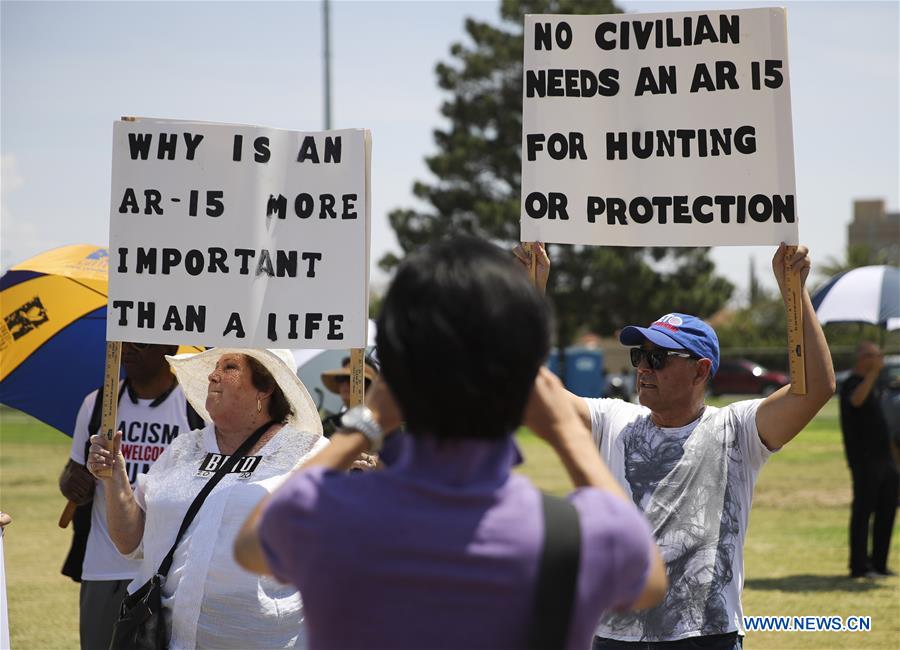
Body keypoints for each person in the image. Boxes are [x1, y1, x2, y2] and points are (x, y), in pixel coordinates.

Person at [235, 236, 667, 650]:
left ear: (395, 377)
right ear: (529, 383)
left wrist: (368, 419)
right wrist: (567, 433)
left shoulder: (329, 515)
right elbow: (648, 578)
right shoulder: (578, 538)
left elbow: (251, 545)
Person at [517, 242, 835, 648]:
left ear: (700, 370)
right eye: (640, 355)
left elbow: (816, 389)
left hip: (705, 638)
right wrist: (531, 294)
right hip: (614, 638)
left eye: (659, 358)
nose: (644, 369)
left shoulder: (734, 430)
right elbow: (531, 391)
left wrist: (795, 290)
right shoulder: (613, 420)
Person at [87, 348, 326, 649]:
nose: (213, 375)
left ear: (264, 388)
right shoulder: (182, 449)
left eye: (229, 367)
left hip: (265, 640)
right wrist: (114, 478)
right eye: (215, 366)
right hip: (166, 639)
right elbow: (130, 541)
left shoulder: (309, 454)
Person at [58, 341, 201, 650]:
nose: (129, 350)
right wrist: (73, 483)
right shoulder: (98, 403)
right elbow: (72, 471)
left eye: (142, 343)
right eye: (125, 343)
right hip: (104, 564)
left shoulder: (192, 406)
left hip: (166, 568)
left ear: (169, 347)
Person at [839, 341, 898, 578]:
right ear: (862, 358)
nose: (879, 359)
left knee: (887, 509)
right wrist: (873, 374)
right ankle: (859, 566)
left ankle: (879, 563)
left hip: (886, 458)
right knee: (864, 511)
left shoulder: (877, 384)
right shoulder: (852, 383)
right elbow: (856, 400)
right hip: (864, 459)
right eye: (874, 356)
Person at [319, 354, 379, 437]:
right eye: (341, 378)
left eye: (351, 378)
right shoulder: (330, 423)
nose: (345, 384)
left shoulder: (384, 425)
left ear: (369, 385)